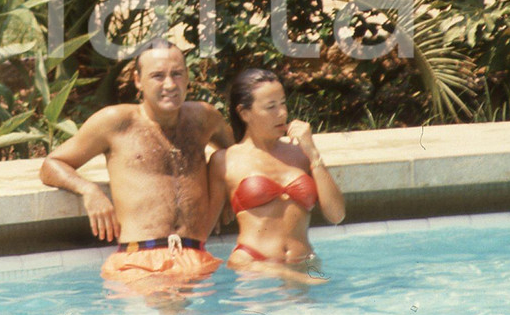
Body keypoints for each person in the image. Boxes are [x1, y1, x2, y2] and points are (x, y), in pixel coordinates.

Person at [39, 38, 234, 291]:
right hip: (138, 263)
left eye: (177, 74)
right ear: (137, 80)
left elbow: (239, 154)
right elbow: (52, 164)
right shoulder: (116, 122)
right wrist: (89, 191)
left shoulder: (204, 118)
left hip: (197, 258)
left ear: (187, 77)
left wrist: (227, 191)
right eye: (158, 76)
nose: (170, 84)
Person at [207, 68, 345, 284]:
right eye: (271, 107)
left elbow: (337, 216)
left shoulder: (301, 154)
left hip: (305, 262)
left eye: (283, 103)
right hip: (254, 267)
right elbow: (204, 226)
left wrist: (313, 154)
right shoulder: (225, 160)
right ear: (244, 113)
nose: (282, 113)